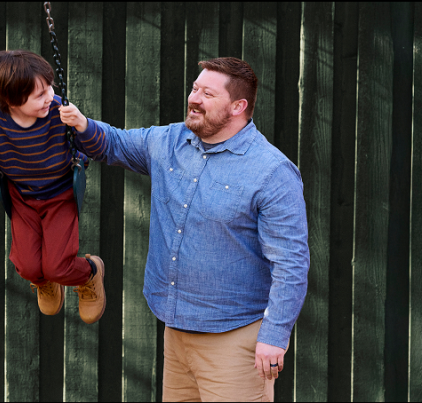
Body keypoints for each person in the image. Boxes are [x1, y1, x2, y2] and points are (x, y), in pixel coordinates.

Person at [59, 56, 309, 401]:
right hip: (175, 333)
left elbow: (291, 264)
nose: (194, 98)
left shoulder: (272, 172)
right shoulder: (169, 141)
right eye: (195, 89)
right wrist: (65, 115)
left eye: (208, 93)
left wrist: (275, 335)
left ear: (238, 106)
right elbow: (112, 144)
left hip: (236, 340)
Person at [0, 49, 108, 324]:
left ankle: (90, 273)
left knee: (58, 266)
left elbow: (95, 149)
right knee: (26, 266)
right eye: (40, 94)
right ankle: (44, 280)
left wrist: (82, 125)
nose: (50, 96)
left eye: (50, 87)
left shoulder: (59, 112)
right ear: (11, 100)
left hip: (60, 195)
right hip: (23, 198)